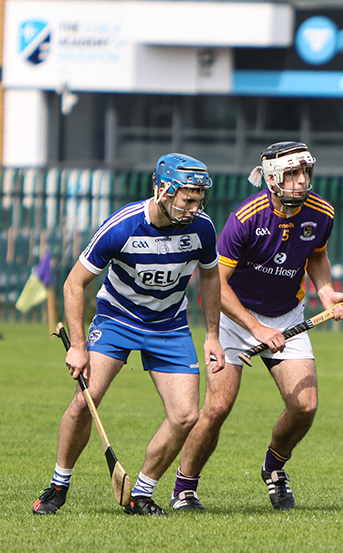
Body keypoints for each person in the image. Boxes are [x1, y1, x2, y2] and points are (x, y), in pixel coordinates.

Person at [33, 153, 224, 517]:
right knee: (85, 401)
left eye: (199, 199)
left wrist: (212, 335)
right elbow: (74, 284)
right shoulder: (122, 226)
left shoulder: (202, 229)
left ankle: (141, 494)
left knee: (186, 415)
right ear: (163, 190)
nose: (194, 207)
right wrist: (77, 346)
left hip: (169, 326)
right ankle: (58, 485)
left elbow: (211, 276)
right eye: (187, 198)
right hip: (117, 320)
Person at [170, 141, 343, 512]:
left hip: (286, 313)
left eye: (305, 173)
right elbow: (215, 286)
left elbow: (317, 253)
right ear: (272, 179)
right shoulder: (245, 218)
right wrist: (255, 329)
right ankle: (185, 487)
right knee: (218, 407)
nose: (302, 182)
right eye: (292, 174)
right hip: (236, 318)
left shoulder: (322, 213)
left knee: (305, 406)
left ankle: (275, 466)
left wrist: (327, 291)